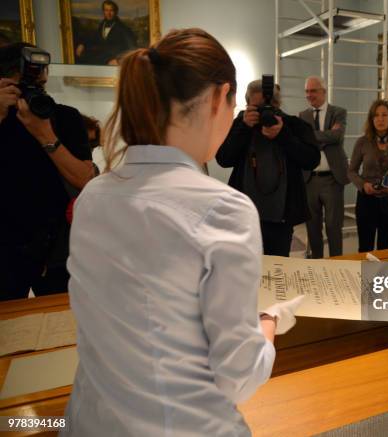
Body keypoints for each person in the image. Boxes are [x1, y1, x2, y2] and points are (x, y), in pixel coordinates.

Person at [62, 28, 303, 437]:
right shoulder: (224, 208)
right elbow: (238, 378)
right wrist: (268, 320)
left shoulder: (94, 196)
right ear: (217, 98)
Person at [0, 42, 93, 301]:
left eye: (38, 82)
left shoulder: (65, 118)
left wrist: (45, 134)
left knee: (63, 324)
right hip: (5, 246)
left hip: (56, 248)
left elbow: (85, 180)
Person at [217, 79, 320, 257]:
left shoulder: (293, 125)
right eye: (258, 107)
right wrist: (244, 127)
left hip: (281, 217)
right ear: (248, 105)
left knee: (278, 269)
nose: (263, 112)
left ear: (277, 105)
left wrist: (284, 136)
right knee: (245, 266)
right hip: (245, 216)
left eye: (268, 107)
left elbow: (312, 160)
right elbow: (224, 159)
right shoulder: (241, 124)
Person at [348, 99, 388, 252]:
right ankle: (365, 276)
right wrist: (363, 185)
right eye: (376, 115)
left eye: (384, 115)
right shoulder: (362, 142)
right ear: (371, 119)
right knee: (365, 247)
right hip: (366, 200)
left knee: (385, 247)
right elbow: (351, 171)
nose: (380, 119)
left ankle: (382, 276)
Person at [300, 76, 349, 258]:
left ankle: (337, 264)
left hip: (332, 178)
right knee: (312, 227)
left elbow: (337, 137)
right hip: (310, 179)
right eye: (306, 91)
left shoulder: (338, 112)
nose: (309, 95)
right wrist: (326, 135)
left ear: (323, 91)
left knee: (333, 226)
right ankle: (317, 264)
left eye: (313, 91)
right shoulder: (302, 116)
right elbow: (304, 142)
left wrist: (311, 136)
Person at [75, 0, 136, 65]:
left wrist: (119, 60)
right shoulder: (102, 25)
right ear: (103, 11)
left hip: (114, 60)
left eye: (111, 10)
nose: (108, 13)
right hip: (102, 58)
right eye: (106, 10)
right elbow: (93, 37)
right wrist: (82, 44)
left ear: (116, 12)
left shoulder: (123, 28)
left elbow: (132, 49)